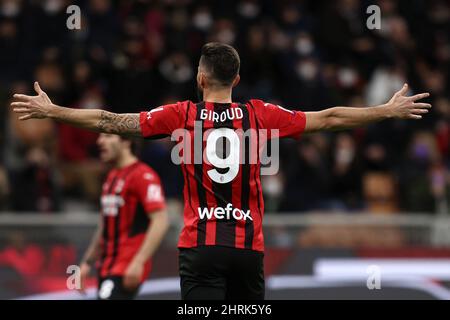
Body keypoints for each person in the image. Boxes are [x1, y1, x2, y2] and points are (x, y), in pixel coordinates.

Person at [11, 42, 431, 300]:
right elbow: (330, 117)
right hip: (248, 250)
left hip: (201, 248)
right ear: (238, 78)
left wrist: (53, 111)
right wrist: (386, 110)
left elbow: (110, 120)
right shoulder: (261, 114)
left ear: (199, 77)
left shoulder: (181, 114)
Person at [77, 133, 169, 299]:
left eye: (107, 136)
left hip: (126, 266)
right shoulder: (111, 177)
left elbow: (160, 220)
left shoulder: (143, 176)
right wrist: (87, 262)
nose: (100, 141)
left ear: (126, 141)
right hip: (106, 266)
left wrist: (139, 261)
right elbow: (104, 225)